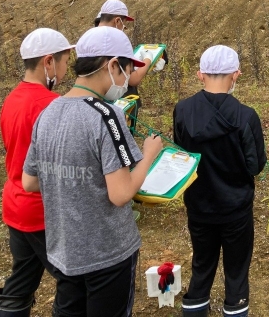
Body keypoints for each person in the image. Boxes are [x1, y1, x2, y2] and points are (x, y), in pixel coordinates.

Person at [22, 26, 163, 316]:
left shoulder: (48, 112)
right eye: (125, 71)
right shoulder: (107, 115)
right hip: (107, 254)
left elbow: (30, 181)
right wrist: (149, 155)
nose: (125, 81)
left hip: (65, 251)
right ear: (112, 65)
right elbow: (121, 193)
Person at [174, 45, 267, 317]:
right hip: (235, 209)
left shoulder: (182, 110)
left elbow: (182, 155)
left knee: (201, 267)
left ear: (200, 75)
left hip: (199, 206)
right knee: (237, 272)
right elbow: (255, 165)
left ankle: (194, 307)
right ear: (235, 75)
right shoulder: (245, 116)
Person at [0, 28, 75, 317]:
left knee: (21, 282)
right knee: (73, 281)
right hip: (43, 211)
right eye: (65, 61)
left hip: (15, 205)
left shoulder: (11, 99)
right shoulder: (51, 105)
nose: (66, 70)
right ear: (49, 62)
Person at [95, 0, 165, 132]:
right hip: (119, 105)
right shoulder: (118, 40)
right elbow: (132, 79)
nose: (123, 28)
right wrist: (148, 61)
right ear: (117, 21)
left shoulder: (87, 38)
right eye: (124, 24)